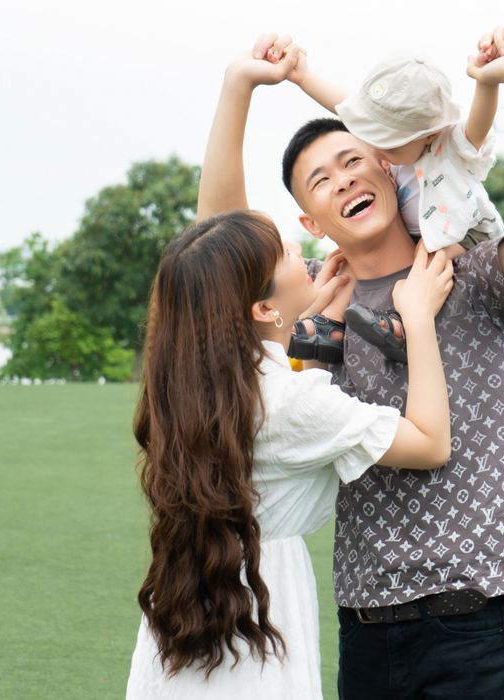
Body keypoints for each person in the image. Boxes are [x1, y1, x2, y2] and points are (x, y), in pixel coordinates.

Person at [199, 27, 504, 699]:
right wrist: (238, 84)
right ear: (310, 223)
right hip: (363, 626)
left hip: (471, 620)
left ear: (391, 169)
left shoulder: (468, 273)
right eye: (320, 180)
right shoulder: (318, 293)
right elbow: (218, 247)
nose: (344, 179)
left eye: (354, 161)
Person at [125, 210, 454, 696]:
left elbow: (285, 419)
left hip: (190, 617)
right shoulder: (285, 401)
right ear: (263, 308)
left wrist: (310, 323)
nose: (300, 250)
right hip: (260, 612)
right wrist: (419, 318)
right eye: (284, 253)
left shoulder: (189, 390)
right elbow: (429, 443)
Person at [275, 32, 504, 363]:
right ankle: (331, 327)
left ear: (428, 133)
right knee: (348, 259)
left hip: (463, 234)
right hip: (422, 230)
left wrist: (487, 82)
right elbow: (345, 107)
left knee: (427, 258)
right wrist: (303, 77)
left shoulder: (451, 149)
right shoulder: (393, 148)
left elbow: (479, 124)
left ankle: (400, 326)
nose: (377, 147)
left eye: (388, 141)